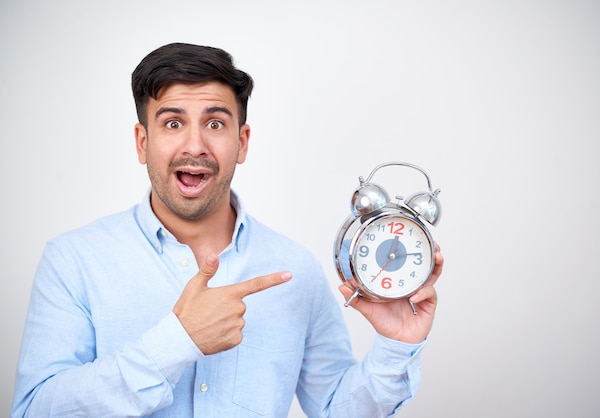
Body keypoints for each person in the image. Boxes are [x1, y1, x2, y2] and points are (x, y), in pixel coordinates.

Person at [11, 42, 444, 417]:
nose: (195, 145)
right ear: (143, 142)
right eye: (173, 123)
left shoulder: (296, 271)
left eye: (215, 124)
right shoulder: (73, 260)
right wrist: (175, 343)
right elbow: (34, 410)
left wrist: (395, 346)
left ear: (243, 141)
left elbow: (335, 409)